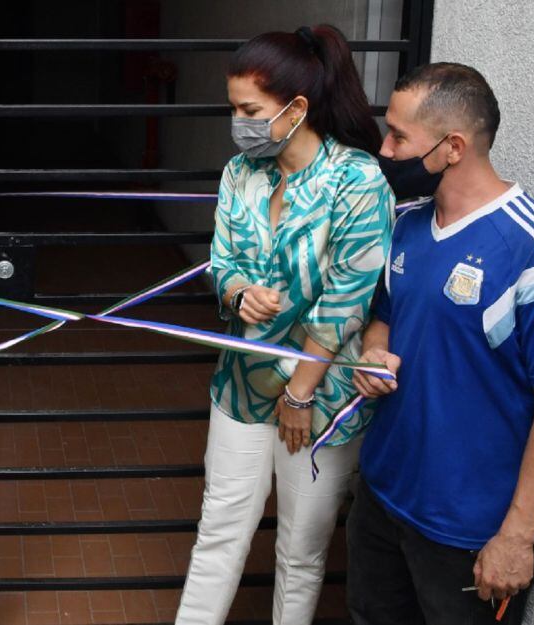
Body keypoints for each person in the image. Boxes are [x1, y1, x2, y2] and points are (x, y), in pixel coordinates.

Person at [176, 25, 394, 625]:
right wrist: (239, 291)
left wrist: (299, 394)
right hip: (240, 386)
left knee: (301, 553)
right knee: (218, 533)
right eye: (233, 110)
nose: (239, 123)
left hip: (320, 401)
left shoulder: (357, 181)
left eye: (251, 110)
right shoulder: (240, 173)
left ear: (296, 109)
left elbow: (346, 305)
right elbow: (223, 262)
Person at [349, 62, 534, 625]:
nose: (385, 149)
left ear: (452, 147)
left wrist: (517, 537)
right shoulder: (405, 221)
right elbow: (385, 318)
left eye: (398, 136)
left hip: (469, 536)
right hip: (382, 499)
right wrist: (373, 353)